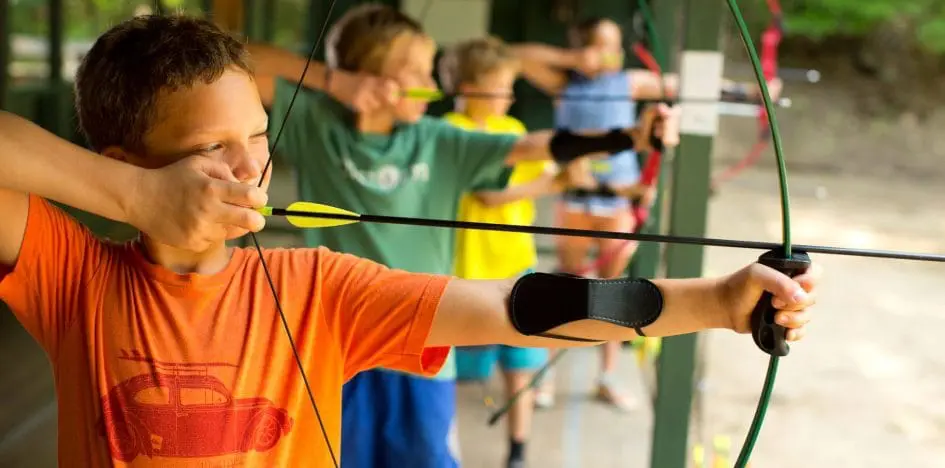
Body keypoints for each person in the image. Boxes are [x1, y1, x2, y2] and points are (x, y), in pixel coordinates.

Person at [0, 13, 819, 468]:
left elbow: (516, 307)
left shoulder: (313, 284)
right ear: (124, 163)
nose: (252, 165)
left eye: (256, 133)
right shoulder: (73, 275)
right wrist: (139, 198)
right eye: (214, 147)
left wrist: (714, 301)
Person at [244, 5, 671, 467]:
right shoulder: (316, 125)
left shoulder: (437, 140)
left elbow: (533, 145)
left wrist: (627, 136)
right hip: (340, 348)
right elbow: (234, 64)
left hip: (422, 346)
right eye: (418, 71)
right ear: (375, 77)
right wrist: (336, 82)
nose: (433, 82)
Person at [511, 17, 784, 411]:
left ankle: (605, 377)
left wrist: (753, 92)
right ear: (584, 47)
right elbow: (514, 57)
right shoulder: (565, 83)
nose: (611, 54)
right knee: (562, 288)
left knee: (612, 292)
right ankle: (547, 380)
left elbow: (691, 89)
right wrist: (572, 58)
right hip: (575, 196)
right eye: (601, 45)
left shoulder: (629, 82)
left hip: (618, 198)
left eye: (615, 45)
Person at [438, 36, 575, 468]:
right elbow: (489, 194)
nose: (509, 96)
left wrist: (570, 166)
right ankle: (444, 446)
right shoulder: (447, 132)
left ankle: (518, 450)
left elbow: (548, 168)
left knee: (522, 361)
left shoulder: (513, 130)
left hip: (516, 263)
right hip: (463, 268)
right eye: (500, 87)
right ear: (467, 87)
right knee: (452, 370)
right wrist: (554, 183)